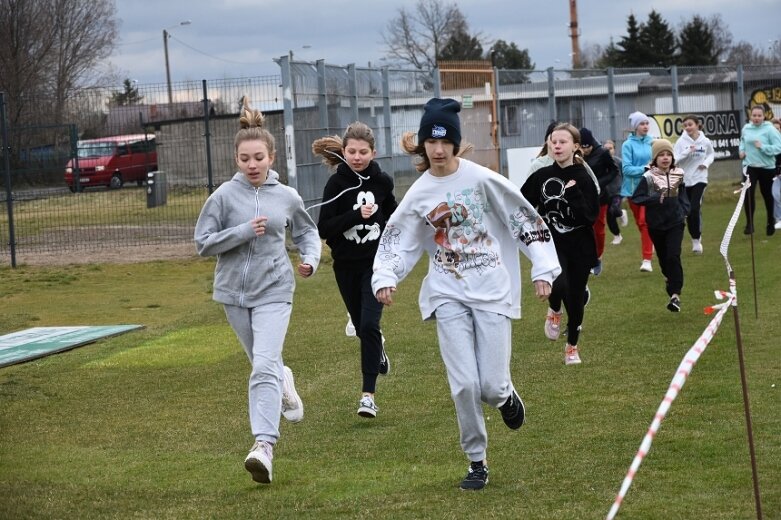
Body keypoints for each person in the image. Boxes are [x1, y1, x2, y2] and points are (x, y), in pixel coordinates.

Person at [371, 98, 561, 491]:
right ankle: (477, 460)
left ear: (456, 143)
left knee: (490, 386)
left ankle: (506, 397)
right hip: (446, 291)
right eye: (431, 142)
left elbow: (522, 215)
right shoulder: (421, 192)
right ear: (423, 145)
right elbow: (399, 236)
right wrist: (385, 274)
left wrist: (542, 267)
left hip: (491, 289)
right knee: (463, 384)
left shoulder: (482, 179)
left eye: (445, 142)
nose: (438, 150)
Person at [194, 99, 321, 485]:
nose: (252, 164)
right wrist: (244, 231)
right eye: (245, 158)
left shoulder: (287, 196)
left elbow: (307, 232)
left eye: (259, 157)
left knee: (261, 366)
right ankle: (284, 378)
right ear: (236, 158)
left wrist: (311, 260)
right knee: (263, 364)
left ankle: (263, 446)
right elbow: (203, 243)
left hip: (276, 290)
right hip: (233, 295)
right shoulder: (222, 197)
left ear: (271, 157)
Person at [313, 122, 397, 418]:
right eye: (352, 151)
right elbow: (324, 228)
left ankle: (368, 396)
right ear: (344, 152)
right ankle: (378, 351)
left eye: (363, 152)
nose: (357, 157)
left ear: (373, 152)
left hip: (376, 266)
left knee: (370, 326)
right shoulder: (337, 184)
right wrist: (353, 216)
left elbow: (394, 220)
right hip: (345, 267)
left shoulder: (383, 182)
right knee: (363, 328)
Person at [522, 124, 599, 365]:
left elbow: (590, 217)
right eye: (553, 141)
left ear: (575, 146)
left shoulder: (584, 177)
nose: (556, 145)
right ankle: (555, 310)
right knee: (559, 284)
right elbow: (521, 203)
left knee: (576, 298)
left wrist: (574, 194)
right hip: (552, 244)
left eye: (563, 142)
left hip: (581, 246)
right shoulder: (542, 176)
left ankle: (572, 347)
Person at [631, 139, 690, 312]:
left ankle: (675, 296)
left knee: (674, 255)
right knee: (664, 260)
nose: (665, 158)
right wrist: (654, 199)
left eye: (668, 155)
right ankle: (669, 280)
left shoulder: (679, 173)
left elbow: (683, 195)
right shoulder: (648, 176)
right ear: (655, 159)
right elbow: (637, 198)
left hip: (675, 222)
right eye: (661, 155)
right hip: (656, 224)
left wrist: (685, 209)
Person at [580, 127, 619, 275]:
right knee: (584, 229)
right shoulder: (575, 154)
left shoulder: (603, 153)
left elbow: (614, 171)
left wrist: (598, 183)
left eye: (587, 147)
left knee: (598, 229)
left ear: (592, 144)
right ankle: (585, 258)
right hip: (582, 197)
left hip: (600, 197)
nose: (585, 151)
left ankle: (598, 258)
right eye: (582, 147)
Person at [674, 114, 715, 253]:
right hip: (685, 180)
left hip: (700, 179)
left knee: (695, 208)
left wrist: (706, 163)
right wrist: (686, 152)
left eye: (690, 124)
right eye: (685, 126)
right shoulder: (680, 142)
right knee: (688, 211)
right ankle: (694, 237)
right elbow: (674, 160)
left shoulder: (705, 141)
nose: (687, 128)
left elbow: (711, 154)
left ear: (697, 124)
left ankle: (697, 240)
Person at [621, 111, 656, 271]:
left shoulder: (654, 142)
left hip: (650, 188)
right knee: (640, 223)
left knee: (644, 221)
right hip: (632, 190)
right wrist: (644, 168)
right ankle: (651, 242)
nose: (645, 126)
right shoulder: (627, 145)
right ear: (635, 127)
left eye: (647, 123)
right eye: (642, 124)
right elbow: (627, 169)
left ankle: (647, 260)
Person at [739, 105, 781, 236]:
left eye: (759, 116)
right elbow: (742, 141)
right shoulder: (746, 128)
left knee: (767, 195)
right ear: (750, 116)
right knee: (748, 193)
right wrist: (741, 151)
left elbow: (778, 148)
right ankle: (749, 224)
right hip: (750, 166)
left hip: (766, 167)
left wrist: (762, 146)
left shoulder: (770, 129)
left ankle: (770, 220)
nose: (756, 118)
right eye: (754, 115)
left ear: (764, 117)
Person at [602, 139, 629, 245]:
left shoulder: (619, 162)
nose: (608, 150)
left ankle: (622, 213)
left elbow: (626, 175)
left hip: (618, 192)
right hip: (606, 193)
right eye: (606, 148)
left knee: (614, 209)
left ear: (614, 149)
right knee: (609, 218)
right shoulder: (601, 162)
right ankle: (617, 236)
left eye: (610, 148)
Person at [768, 118, 781, 230]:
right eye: (774, 129)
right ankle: (777, 218)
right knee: (775, 195)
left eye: (778, 129)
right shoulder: (768, 143)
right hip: (774, 174)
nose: (776, 131)